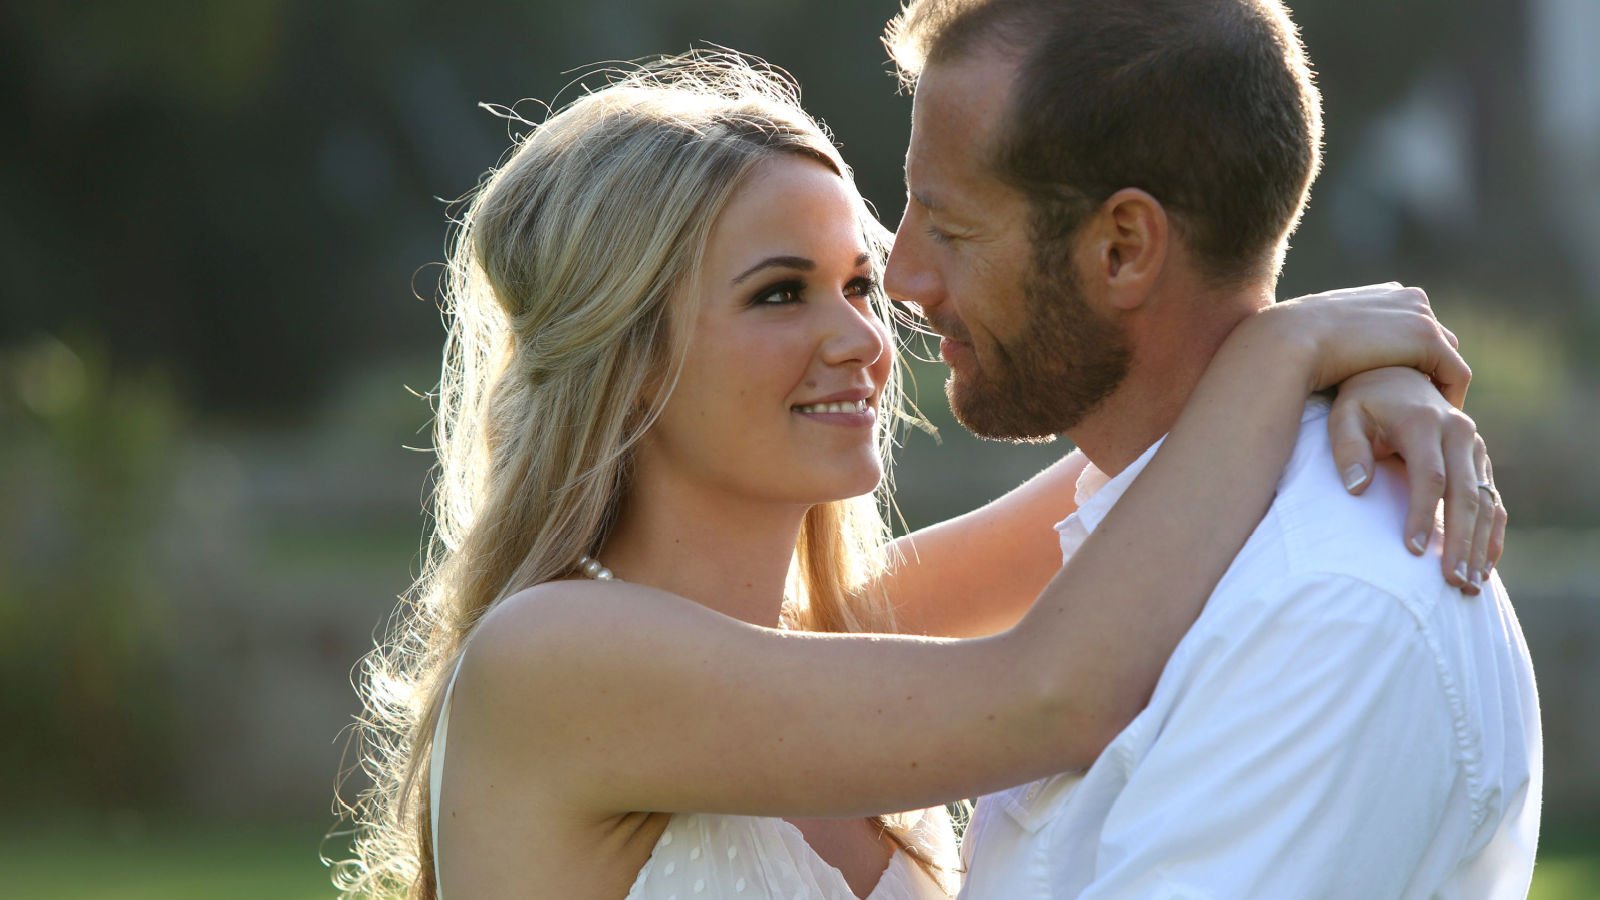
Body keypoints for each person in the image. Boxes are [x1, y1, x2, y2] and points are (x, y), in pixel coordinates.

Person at [332, 55, 1501, 900]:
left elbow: (1144, 464)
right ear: (630, 362)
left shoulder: (827, 632)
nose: (863, 337)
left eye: (856, 282)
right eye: (779, 293)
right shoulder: (553, 661)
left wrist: (1346, 383)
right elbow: (1054, 692)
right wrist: (1293, 354)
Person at [881, 1, 1541, 897]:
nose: (900, 279)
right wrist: (1283, 353)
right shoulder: (1141, 518)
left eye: (950, 229)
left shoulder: (1327, 610)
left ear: (1123, 249)